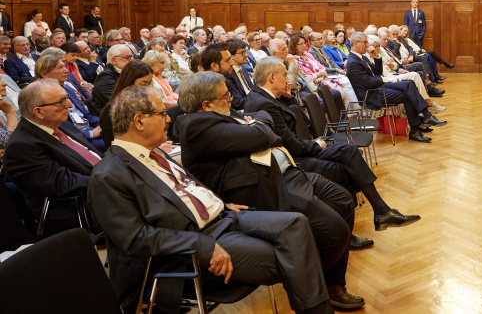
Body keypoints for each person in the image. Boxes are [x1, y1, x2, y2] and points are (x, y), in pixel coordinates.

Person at [88, 85, 336, 314]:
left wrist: (217, 202)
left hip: (222, 219)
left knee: (296, 223)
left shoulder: (156, 153)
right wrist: (202, 245)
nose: (168, 118)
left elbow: (186, 188)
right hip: (185, 252)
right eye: (162, 113)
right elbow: (135, 239)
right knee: (292, 256)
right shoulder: (108, 175)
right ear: (139, 121)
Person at [173, 72, 365, 310]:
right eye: (226, 96)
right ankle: (314, 284)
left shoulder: (220, 115)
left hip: (283, 172)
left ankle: (329, 284)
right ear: (207, 104)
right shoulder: (196, 126)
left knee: (344, 200)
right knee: (334, 231)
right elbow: (264, 133)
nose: (231, 100)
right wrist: (258, 125)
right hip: (264, 188)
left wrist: (258, 122)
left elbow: (258, 120)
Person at [244, 58, 421, 237]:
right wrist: (315, 144)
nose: (288, 79)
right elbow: (290, 144)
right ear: (272, 77)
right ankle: (370, 218)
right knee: (345, 164)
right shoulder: (263, 102)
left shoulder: (265, 97)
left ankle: (377, 213)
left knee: (348, 153)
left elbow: (292, 125)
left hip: (296, 151)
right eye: (284, 75)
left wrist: (289, 99)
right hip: (291, 161)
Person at [3, 79, 102, 225]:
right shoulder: (21, 146)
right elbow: (64, 184)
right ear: (38, 112)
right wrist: (113, 179)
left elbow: (94, 157)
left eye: (67, 98)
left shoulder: (62, 125)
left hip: (101, 189)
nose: (68, 105)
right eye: (61, 101)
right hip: (79, 208)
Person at [346, 32, 445, 143]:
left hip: (378, 87)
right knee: (407, 94)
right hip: (371, 95)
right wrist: (383, 79)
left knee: (409, 83)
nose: (367, 45)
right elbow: (369, 83)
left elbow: (377, 72)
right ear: (356, 43)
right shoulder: (353, 62)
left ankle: (423, 120)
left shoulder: (361, 57)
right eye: (365, 42)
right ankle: (419, 125)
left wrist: (376, 56)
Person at [35, 55, 103, 151]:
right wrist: (91, 133)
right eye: (60, 67)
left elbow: (87, 115)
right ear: (45, 74)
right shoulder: (42, 97)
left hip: (90, 129)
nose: (66, 70)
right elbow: (60, 130)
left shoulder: (67, 88)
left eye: (64, 66)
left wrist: (104, 124)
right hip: (76, 139)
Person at [292, 35, 358, 106]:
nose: (304, 45)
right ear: (294, 45)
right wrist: (319, 74)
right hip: (312, 84)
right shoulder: (294, 59)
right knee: (340, 90)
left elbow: (321, 67)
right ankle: (351, 112)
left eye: (304, 43)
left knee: (345, 84)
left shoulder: (308, 55)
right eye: (300, 44)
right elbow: (305, 77)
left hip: (322, 78)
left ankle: (351, 113)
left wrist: (321, 75)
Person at [89, 44, 135, 116]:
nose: (132, 60)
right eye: (128, 57)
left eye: (132, 57)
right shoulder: (105, 77)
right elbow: (118, 102)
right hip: (109, 119)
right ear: (114, 60)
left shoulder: (125, 73)